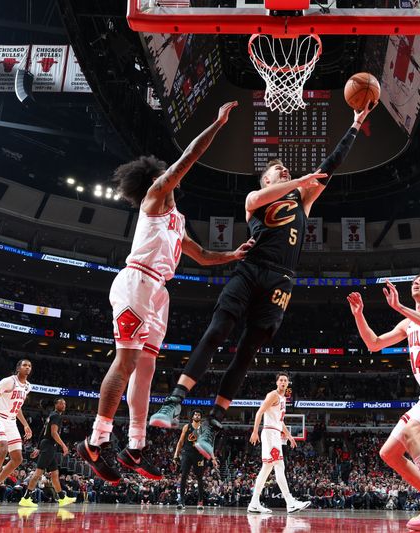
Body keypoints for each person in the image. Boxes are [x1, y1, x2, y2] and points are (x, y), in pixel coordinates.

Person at [150, 102, 376, 459]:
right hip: (250, 268)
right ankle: (174, 402)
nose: (283, 169)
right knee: (217, 332)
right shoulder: (255, 198)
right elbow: (266, 194)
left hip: (281, 280)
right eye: (276, 169)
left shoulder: (303, 198)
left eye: (284, 168)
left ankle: (213, 424)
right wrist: (300, 180)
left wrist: (354, 124)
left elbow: (330, 166)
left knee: (247, 352)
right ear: (267, 179)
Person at [76, 101, 254, 483]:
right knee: (124, 363)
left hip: (159, 292)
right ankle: (95, 442)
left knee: (147, 369)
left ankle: (135, 448)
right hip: (136, 281)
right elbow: (190, 156)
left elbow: (203, 255)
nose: (174, 180)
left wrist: (233, 255)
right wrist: (217, 124)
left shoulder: (176, 221)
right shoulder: (154, 198)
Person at [347, 275, 420, 531]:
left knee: (412, 434)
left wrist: (400, 307)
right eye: (414, 280)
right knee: (388, 453)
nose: (415, 282)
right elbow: (374, 344)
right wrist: (359, 314)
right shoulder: (408, 323)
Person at [247, 372, 309, 514]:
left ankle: (254, 503)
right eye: (280, 380)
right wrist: (255, 431)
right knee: (279, 465)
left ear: (288, 384)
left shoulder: (283, 398)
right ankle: (290, 502)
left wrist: (290, 436)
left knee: (266, 469)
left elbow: (280, 422)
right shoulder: (273, 395)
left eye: (285, 380)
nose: (283, 382)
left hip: (275, 434)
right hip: (269, 434)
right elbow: (259, 412)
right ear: (277, 382)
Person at [0, 359, 33, 508]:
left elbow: (18, 407)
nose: (27, 367)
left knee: (17, 459)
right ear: (18, 368)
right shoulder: (9, 381)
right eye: (24, 365)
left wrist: (25, 424)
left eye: (29, 366)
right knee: (2, 449)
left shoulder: (28, 386)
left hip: (11, 421)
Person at [19, 398, 76, 507]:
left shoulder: (51, 415)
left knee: (55, 474)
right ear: (55, 404)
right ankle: (25, 498)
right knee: (38, 473)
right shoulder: (56, 416)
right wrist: (64, 446)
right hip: (49, 446)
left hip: (48, 446)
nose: (63, 405)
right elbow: (53, 433)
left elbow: (42, 432)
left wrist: (38, 448)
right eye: (61, 403)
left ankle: (62, 498)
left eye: (65, 403)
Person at [172, 409, 219, 510]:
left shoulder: (204, 429)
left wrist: (213, 458)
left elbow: (209, 445)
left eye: (199, 415)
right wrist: (176, 454)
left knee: (200, 477)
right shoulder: (186, 427)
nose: (197, 416)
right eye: (195, 414)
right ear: (192, 416)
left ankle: (200, 501)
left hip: (199, 455)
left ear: (201, 417)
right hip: (187, 453)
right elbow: (180, 442)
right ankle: (181, 501)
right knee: (184, 476)